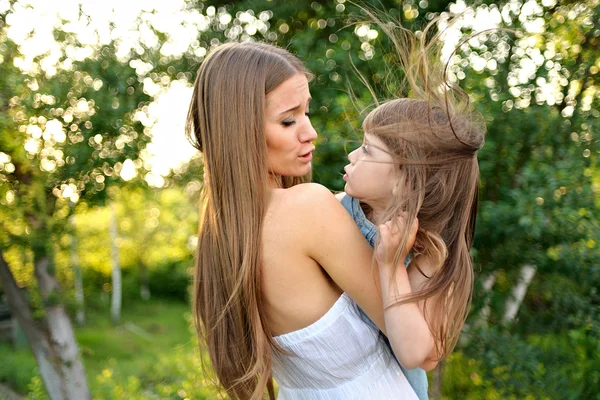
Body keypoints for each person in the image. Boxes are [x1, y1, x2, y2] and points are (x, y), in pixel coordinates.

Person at [187, 41, 423, 400]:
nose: (309, 132)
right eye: (288, 119)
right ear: (238, 130)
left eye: (306, 112)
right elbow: (416, 337)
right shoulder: (308, 208)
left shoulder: (220, 238)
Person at [337, 14, 486, 400]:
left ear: (405, 178)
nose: (353, 154)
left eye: (368, 150)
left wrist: (390, 265)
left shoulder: (429, 256)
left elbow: (416, 352)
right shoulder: (337, 210)